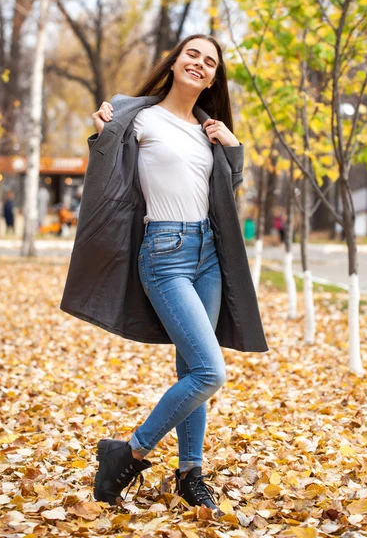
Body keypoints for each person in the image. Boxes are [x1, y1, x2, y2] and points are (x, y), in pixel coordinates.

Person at [60, 34, 268, 515]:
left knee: (191, 366)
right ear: (174, 62)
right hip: (165, 252)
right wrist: (101, 133)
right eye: (192, 54)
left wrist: (233, 149)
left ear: (214, 78)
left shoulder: (207, 129)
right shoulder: (138, 117)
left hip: (209, 254)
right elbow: (105, 169)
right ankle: (129, 451)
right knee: (210, 371)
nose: (199, 63)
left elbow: (226, 194)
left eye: (210, 61)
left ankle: (190, 473)